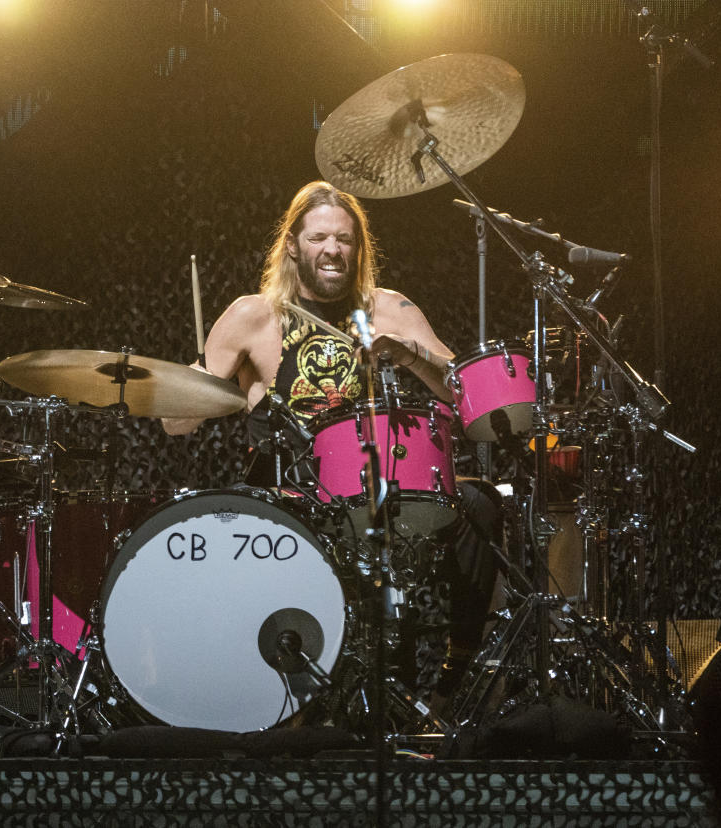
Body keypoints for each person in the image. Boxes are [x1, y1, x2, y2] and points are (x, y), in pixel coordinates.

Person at [163, 180, 497, 712]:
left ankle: (459, 674)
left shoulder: (389, 309)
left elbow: (470, 398)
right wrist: (192, 381)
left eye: (344, 239)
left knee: (479, 505)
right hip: (290, 496)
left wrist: (412, 355)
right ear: (293, 245)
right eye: (319, 237)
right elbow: (174, 424)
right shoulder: (254, 316)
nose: (333, 250)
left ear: (358, 248)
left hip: (382, 489)